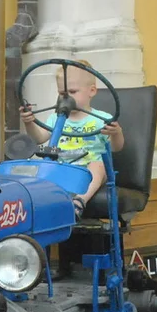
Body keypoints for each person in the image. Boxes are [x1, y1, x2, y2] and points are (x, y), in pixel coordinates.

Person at [19, 59, 124, 211]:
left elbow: (116, 148)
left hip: (90, 171)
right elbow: (39, 138)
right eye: (62, 93)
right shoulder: (56, 118)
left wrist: (116, 133)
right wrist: (29, 123)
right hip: (62, 168)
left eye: (73, 92)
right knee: (37, 167)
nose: (66, 98)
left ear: (92, 91)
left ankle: (79, 202)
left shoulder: (101, 119)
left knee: (98, 165)